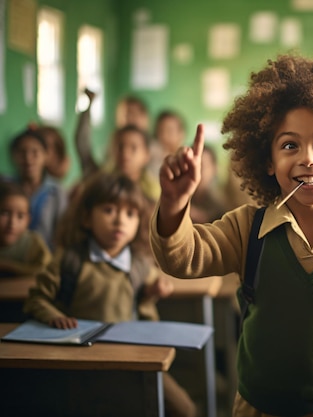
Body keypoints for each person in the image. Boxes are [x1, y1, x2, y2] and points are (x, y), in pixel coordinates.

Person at [150, 54, 313, 416]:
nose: (308, 158)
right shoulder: (246, 229)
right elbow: (181, 257)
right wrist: (175, 203)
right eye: (289, 145)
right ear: (268, 162)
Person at [23, 172, 196, 417]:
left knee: (184, 409)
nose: (119, 221)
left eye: (129, 214)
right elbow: (36, 298)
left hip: (133, 359)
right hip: (79, 363)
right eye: (108, 210)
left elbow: (139, 299)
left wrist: (153, 291)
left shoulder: (139, 263)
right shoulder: (69, 260)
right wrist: (53, 316)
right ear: (85, 218)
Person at [6, 128, 68, 249]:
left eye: (35, 152)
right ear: (14, 156)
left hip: (45, 260)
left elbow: (63, 233)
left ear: (46, 156)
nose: (28, 159)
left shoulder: (57, 192)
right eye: (22, 152)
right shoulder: (6, 187)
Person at [0, 181, 51, 277]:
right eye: (5, 213)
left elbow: (46, 269)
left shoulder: (33, 243)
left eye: (20, 216)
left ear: (28, 220)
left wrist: (8, 266)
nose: (12, 223)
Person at [189, 145, 228, 224]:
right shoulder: (181, 196)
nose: (198, 171)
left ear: (214, 169)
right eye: (195, 166)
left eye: (203, 166)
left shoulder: (219, 203)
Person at [148, 109, 187, 179]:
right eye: (160, 130)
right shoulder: (149, 156)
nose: (164, 135)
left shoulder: (186, 160)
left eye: (169, 131)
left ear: (181, 134)